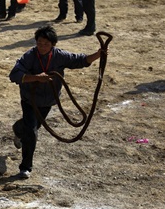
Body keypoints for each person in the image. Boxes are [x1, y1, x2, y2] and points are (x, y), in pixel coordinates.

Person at [8, 26, 105, 179]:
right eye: (39, 43)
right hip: (30, 100)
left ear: (53, 44)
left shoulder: (60, 55)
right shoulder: (29, 56)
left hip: (48, 100)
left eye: (46, 44)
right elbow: (14, 74)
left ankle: (18, 129)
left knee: (32, 126)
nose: (42, 47)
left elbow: (80, 60)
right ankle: (25, 167)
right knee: (32, 132)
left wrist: (98, 55)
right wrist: (35, 78)